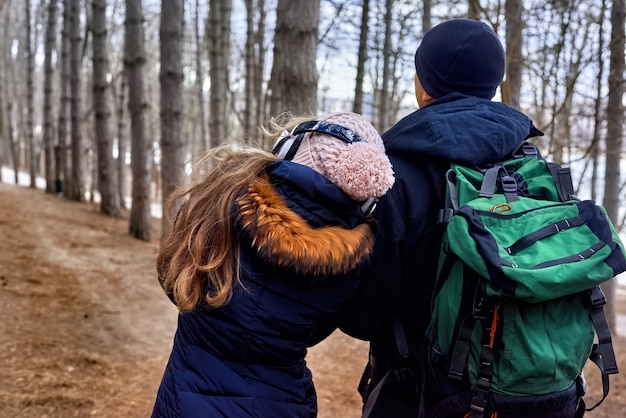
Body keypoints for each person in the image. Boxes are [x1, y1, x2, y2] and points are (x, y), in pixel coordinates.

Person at [337, 19, 576, 417]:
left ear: (424, 84)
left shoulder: (394, 175)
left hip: (419, 398)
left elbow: (364, 316)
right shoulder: (533, 166)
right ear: (494, 86)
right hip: (537, 399)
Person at [150, 111, 395, 418]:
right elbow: (315, 332)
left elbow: (174, 281)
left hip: (189, 397)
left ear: (291, 151)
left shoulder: (226, 196)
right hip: (283, 403)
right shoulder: (352, 257)